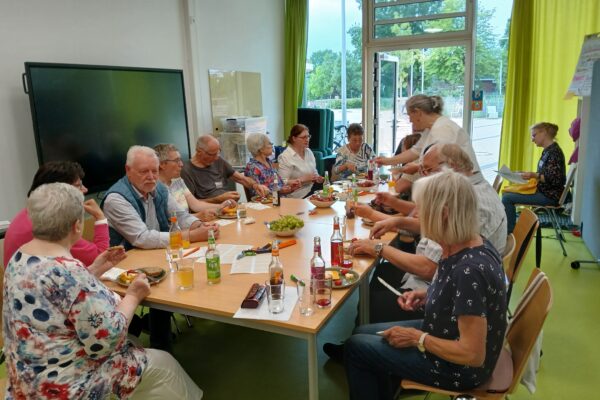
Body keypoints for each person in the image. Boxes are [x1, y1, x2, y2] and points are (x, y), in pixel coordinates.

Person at [3, 183, 203, 399]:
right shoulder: (70, 272)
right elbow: (107, 341)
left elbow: (55, 293)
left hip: (25, 379)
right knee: (165, 363)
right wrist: (133, 295)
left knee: (135, 343)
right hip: (66, 387)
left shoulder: (19, 257)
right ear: (77, 226)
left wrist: (94, 270)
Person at [344, 170, 507, 400]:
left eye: (423, 210)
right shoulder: (469, 242)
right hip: (446, 331)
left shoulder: (469, 271)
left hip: (458, 368)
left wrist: (417, 338)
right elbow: (464, 297)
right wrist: (429, 295)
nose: (417, 215)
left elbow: (472, 354)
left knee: (356, 348)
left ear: (444, 214)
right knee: (361, 332)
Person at [102, 145, 217, 351]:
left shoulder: (159, 188)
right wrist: (191, 236)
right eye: (144, 171)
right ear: (128, 170)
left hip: (156, 255)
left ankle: (159, 341)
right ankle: (160, 347)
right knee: (166, 285)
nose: (151, 177)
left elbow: (180, 215)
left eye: (154, 171)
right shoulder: (116, 199)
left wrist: (200, 226)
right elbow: (142, 238)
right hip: (127, 265)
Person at [3, 161, 108, 267]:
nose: (85, 190)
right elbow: (100, 258)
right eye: (78, 186)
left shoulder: (33, 213)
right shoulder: (53, 223)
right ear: (59, 192)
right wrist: (100, 217)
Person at [375, 94, 481, 195]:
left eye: (409, 115)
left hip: (468, 187)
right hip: (456, 185)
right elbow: (415, 151)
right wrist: (386, 161)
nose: (410, 120)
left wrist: (416, 168)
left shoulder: (443, 129)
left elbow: (436, 163)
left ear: (418, 112)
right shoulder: (431, 129)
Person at [502, 122, 566, 233]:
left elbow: (554, 179)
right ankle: (510, 230)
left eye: (534, 135)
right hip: (545, 191)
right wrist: (526, 174)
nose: (532, 139)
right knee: (507, 193)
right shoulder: (549, 150)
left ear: (544, 133)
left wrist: (533, 175)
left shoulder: (554, 153)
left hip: (549, 195)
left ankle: (510, 233)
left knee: (507, 198)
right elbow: (545, 173)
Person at [154, 143, 235, 220]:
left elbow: (195, 204)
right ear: (162, 164)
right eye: (176, 161)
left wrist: (221, 206)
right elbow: (166, 220)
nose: (181, 164)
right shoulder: (154, 188)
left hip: (189, 224)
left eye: (180, 160)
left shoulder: (178, 181)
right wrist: (197, 216)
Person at [181, 135, 270, 203]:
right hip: (209, 213)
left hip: (229, 208)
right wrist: (218, 199)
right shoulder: (186, 171)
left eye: (218, 152)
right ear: (199, 152)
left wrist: (256, 186)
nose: (216, 157)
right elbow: (191, 205)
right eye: (213, 154)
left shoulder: (218, 161)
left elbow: (241, 179)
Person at [243, 132, 302, 197]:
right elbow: (257, 193)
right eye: (270, 143)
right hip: (268, 202)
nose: (272, 145)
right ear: (261, 149)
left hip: (280, 200)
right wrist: (279, 191)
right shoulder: (252, 167)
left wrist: (290, 186)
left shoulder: (268, 162)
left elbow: (276, 181)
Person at [277, 124, 324, 198]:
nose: (307, 139)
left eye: (308, 136)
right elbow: (281, 182)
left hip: (312, 190)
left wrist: (318, 178)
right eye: (303, 137)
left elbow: (314, 172)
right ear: (294, 138)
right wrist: (302, 180)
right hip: (297, 195)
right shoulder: (285, 157)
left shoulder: (309, 152)